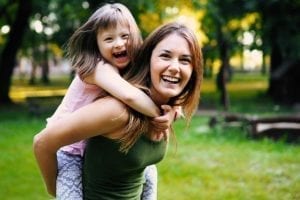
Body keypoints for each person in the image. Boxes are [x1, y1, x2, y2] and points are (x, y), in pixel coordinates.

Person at [33, 22, 203, 199]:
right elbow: (42, 143)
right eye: (165, 56)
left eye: (185, 60)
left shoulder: (166, 111)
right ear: (148, 59)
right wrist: (54, 189)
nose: (175, 67)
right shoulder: (118, 111)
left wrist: (172, 111)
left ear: (193, 71)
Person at [44, 3, 167, 200]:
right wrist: (159, 114)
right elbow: (130, 97)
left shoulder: (128, 69)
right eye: (109, 39)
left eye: (124, 36)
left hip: (93, 149)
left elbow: (154, 91)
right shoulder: (97, 68)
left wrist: (173, 110)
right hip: (69, 152)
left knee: (149, 171)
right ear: (97, 45)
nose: (118, 44)